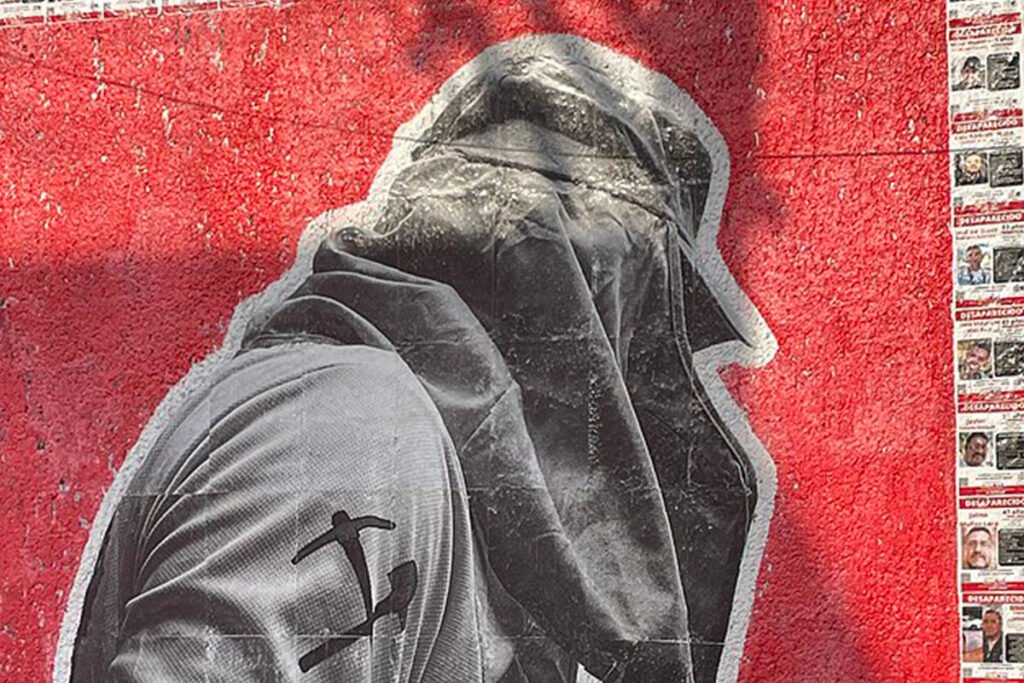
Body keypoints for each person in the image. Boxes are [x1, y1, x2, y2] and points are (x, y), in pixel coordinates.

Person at [64, 38, 770, 683]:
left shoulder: (413, 451)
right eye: (636, 311)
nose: (632, 383)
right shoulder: (356, 438)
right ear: (565, 284)